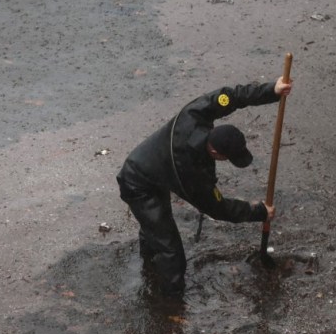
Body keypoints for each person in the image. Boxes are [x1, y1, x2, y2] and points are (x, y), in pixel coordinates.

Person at [117, 73, 293, 299]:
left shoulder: (196, 114)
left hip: (156, 169)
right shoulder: (190, 172)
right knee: (172, 253)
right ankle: (170, 306)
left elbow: (231, 96)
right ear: (216, 153)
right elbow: (218, 208)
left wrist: (271, 90)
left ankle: (150, 263)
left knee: (157, 227)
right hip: (138, 184)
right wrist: (258, 212)